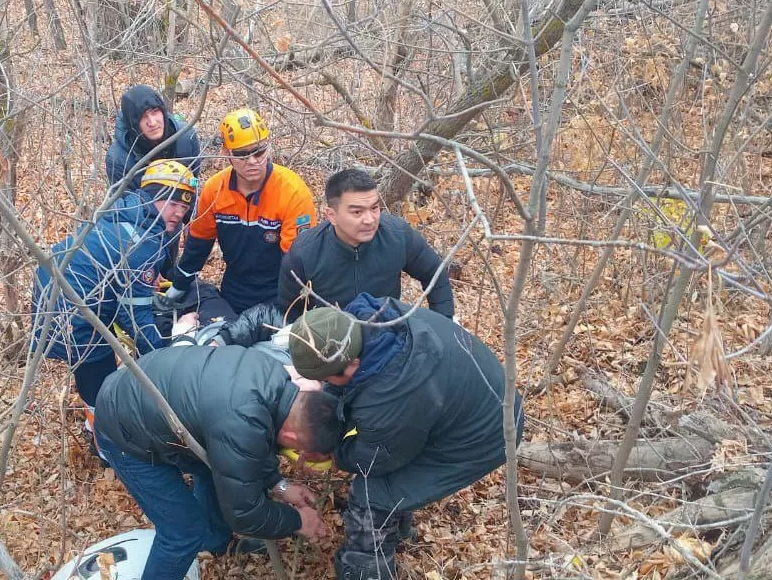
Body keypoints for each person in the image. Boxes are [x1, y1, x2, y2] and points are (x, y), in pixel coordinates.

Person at [287, 294, 522, 580]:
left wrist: (336, 454)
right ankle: (399, 530)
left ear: (352, 364)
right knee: (394, 464)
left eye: (327, 378)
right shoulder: (364, 322)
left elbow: (378, 459)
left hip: (486, 433)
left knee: (372, 491)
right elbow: (346, 388)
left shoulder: (392, 394)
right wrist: (326, 425)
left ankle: (366, 569)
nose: (325, 384)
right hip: (462, 399)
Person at [94, 344, 340, 580]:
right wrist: (299, 521)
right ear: (292, 438)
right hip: (123, 430)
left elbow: (251, 443)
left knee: (212, 472)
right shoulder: (239, 422)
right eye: (300, 450)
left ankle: (217, 542)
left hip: (144, 397)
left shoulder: (274, 376)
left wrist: (280, 485)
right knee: (184, 531)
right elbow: (245, 514)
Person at [31, 159, 198, 411]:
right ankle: (100, 427)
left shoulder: (122, 211)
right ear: (152, 197)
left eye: (184, 207)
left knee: (90, 365)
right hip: (74, 312)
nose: (179, 213)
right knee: (100, 384)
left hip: (52, 293)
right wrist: (167, 351)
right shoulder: (144, 242)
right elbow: (134, 316)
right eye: (172, 203)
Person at [163, 108, 316, 317]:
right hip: (234, 291)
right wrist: (178, 287)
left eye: (259, 152)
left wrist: (285, 309)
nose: (252, 161)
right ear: (226, 153)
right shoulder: (215, 190)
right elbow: (198, 246)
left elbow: (296, 265)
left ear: (268, 146)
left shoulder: (293, 192)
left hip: (279, 294)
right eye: (242, 154)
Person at [278, 168, 454, 321]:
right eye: (357, 212)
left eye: (374, 208)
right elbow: (289, 312)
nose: (369, 220)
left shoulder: (397, 235)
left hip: (388, 333)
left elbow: (434, 272)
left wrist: (443, 323)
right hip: (329, 340)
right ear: (332, 216)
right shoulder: (305, 253)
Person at [106, 85, 202, 192]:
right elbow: (124, 201)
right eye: (142, 117)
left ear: (163, 111)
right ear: (132, 124)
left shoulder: (186, 136)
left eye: (154, 111)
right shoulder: (118, 159)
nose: (152, 123)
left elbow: (193, 183)